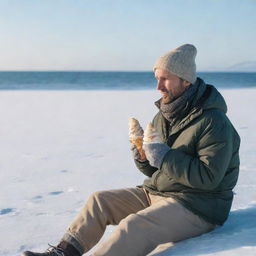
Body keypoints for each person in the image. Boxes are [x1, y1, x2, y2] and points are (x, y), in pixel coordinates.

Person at [22, 44, 240, 256]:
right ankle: (63, 253)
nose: (158, 86)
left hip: (199, 206)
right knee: (99, 201)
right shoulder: (165, 115)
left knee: (135, 225)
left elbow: (208, 177)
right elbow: (157, 171)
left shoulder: (214, 121)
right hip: (160, 192)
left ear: (185, 80)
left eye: (165, 79)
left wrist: (163, 156)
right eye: (157, 79)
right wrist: (145, 158)